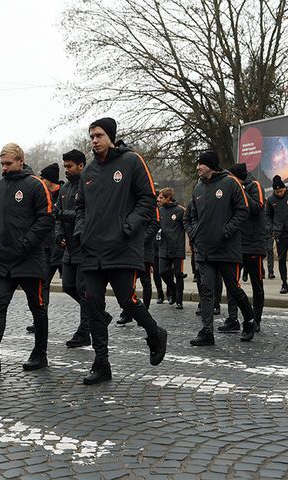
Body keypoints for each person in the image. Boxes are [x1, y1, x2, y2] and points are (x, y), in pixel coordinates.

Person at [75, 117, 168, 385]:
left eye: (99, 135)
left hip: (122, 247)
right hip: (92, 249)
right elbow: (80, 207)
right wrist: (81, 231)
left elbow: (148, 199)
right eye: (91, 136)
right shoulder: (89, 172)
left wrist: (128, 226)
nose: (94, 140)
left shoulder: (131, 162)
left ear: (111, 137)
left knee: (127, 300)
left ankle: (154, 333)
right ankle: (101, 363)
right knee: (92, 303)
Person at [0, 143, 54, 374]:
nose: (5, 168)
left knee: (37, 307)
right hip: (4, 261)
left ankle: (40, 353)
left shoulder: (35, 185)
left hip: (30, 260)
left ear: (20, 160)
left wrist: (26, 243)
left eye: (8, 163)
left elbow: (46, 219)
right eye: (2, 164)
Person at [185, 151, 256, 346]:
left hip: (227, 249)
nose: (197, 167)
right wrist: (194, 234)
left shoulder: (230, 183)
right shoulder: (198, 188)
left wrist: (226, 231)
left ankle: (249, 320)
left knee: (233, 289)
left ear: (211, 165)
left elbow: (243, 210)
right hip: (204, 251)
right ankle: (207, 331)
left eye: (201, 163)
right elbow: (189, 216)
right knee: (206, 290)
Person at [55, 149, 107, 348]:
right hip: (69, 248)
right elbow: (59, 216)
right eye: (65, 166)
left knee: (82, 288)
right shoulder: (65, 188)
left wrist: (61, 215)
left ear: (81, 166)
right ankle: (100, 313)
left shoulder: (88, 185)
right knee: (68, 286)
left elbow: (84, 214)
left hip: (84, 246)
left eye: (70, 166)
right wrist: (59, 233)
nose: (66, 170)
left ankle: (84, 331)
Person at [222, 163, 266, 333]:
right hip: (236, 244)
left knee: (257, 283)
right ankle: (232, 318)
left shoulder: (255, 186)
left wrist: (241, 190)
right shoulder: (231, 188)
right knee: (233, 284)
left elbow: (257, 208)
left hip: (254, 244)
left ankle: (256, 319)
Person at [26, 162, 64, 334]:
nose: (40, 180)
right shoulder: (42, 194)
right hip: (48, 248)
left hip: (63, 248)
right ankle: (40, 320)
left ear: (50, 180)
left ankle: (95, 317)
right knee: (43, 286)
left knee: (74, 287)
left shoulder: (63, 193)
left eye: (43, 178)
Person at [117, 197, 160, 325]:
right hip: (130, 248)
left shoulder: (150, 203)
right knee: (128, 282)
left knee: (145, 281)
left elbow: (156, 223)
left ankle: (144, 313)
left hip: (145, 249)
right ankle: (127, 313)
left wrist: (142, 238)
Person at [184, 200, 222, 317]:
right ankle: (203, 302)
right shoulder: (194, 202)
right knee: (200, 275)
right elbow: (186, 220)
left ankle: (216, 303)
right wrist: (193, 233)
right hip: (199, 244)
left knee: (216, 275)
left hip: (215, 242)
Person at [157, 188, 186, 310]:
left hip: (177, 248)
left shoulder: (180, 211)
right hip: (164, 247)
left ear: (168, 198)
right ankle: (173, 289)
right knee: (162, 271)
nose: (159, 199)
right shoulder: (160, 210)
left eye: (161, 197)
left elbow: (187, 226)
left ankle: (179, 300)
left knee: (178, 274)